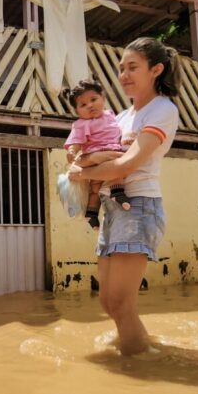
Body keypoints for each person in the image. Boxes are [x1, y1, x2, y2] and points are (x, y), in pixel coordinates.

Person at [67, 37, 181, 356]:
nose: (124, 75)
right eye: (121, 69)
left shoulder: (163, 109)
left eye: (133, 67)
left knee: (120, 301)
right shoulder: (121, 117)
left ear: (156, 70)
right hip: (112, 208)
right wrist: (79, 159)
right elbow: (99, 153)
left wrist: (84, 172)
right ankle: (146, 350)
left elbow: (128, 163)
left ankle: (140, 370)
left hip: (139, 206)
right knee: (108, 302)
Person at [61, 79, 131, 229]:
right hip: (96, 152)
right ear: (77, 111)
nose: (90, 106)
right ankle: (114, 195)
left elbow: (120, 132)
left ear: (103, 98)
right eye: (83, 105)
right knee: (114, 168)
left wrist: (128, 137)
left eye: (93, 99)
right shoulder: (81, 124)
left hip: (110, 150)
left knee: (97, 185)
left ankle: (92, 214)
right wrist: (72, 150)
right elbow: (77, 140)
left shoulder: (110, 115)